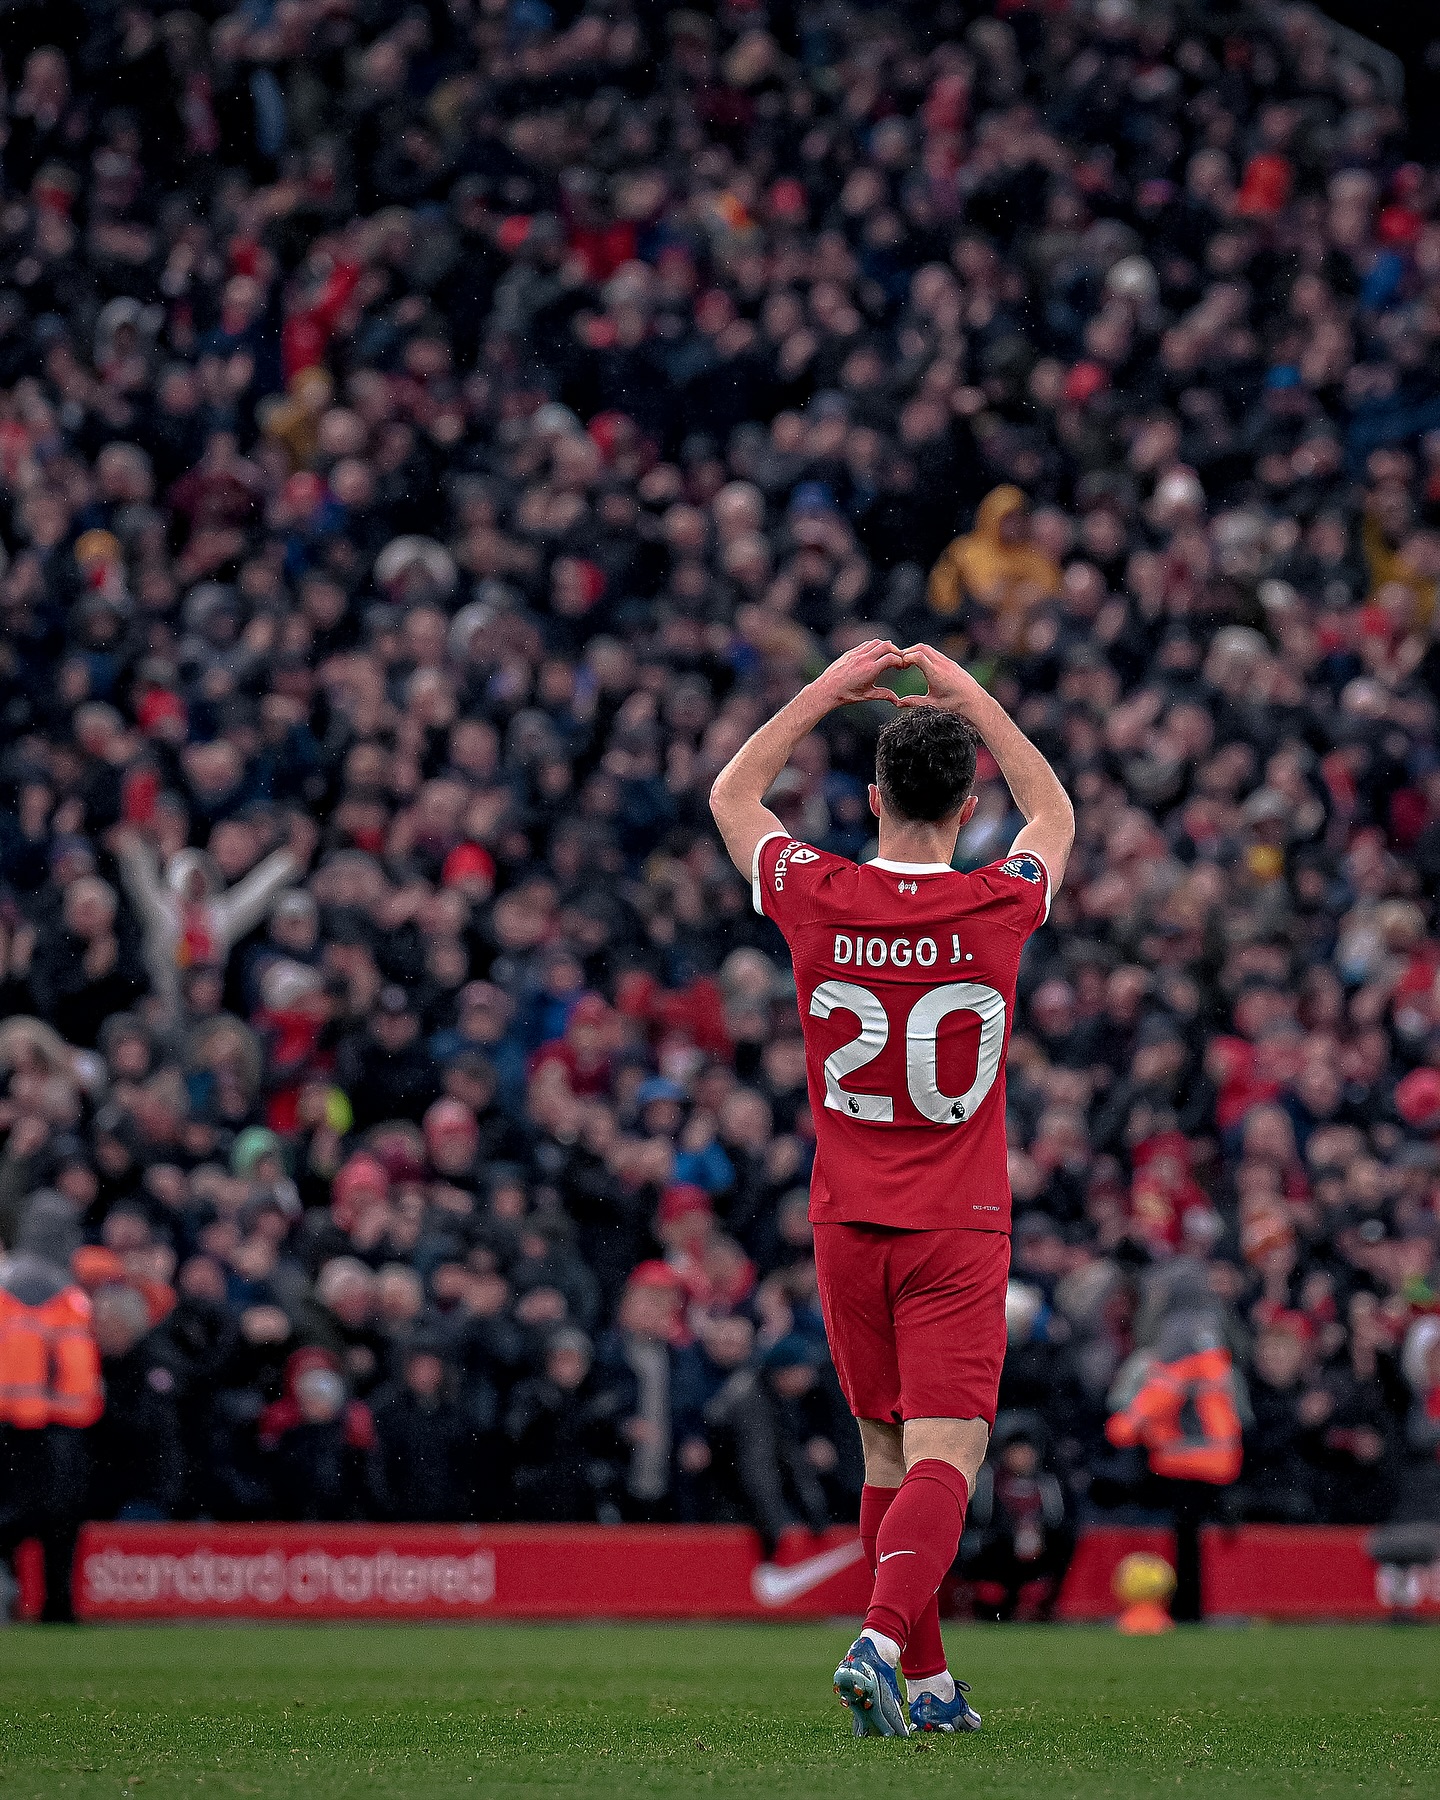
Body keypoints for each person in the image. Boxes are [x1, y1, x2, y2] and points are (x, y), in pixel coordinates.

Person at [710, 638, 1074, 1735]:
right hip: (955, 1225)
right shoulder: (999, 903)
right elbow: (1054, 809)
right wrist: (972, 695)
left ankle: (928, 1686)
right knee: (948, 1454)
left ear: (871, 799)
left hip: (845, 1220)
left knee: (885, 1450)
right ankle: (877, 1641)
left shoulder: (814, 890)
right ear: (969, 807)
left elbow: (731, 794)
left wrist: (825, 692)